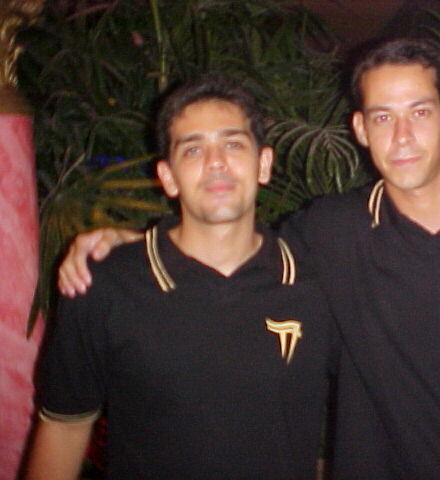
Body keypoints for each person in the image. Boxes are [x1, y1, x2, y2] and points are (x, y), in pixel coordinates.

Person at [57, 38, 440, 479]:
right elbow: (227, 241)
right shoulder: (330, 231)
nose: (402, 136)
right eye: (382, 117)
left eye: (419, 112)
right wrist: (130, 241)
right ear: (360, 129)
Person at [26, 76, 335, 480]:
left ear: (263, 165)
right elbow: (65, 428)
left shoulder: (318, 286)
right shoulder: (102, 285)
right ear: (168, 177)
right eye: (193, 149)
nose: (215, 162)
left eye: (233, 144)